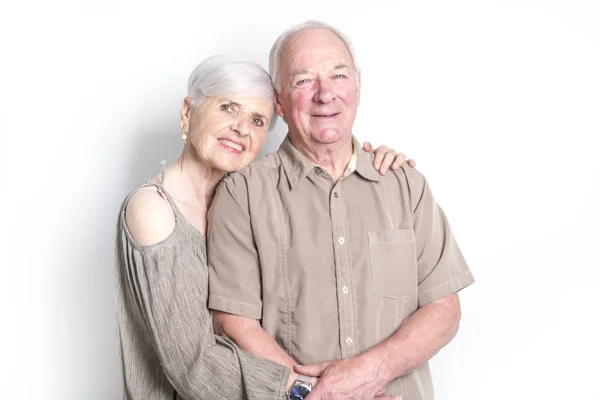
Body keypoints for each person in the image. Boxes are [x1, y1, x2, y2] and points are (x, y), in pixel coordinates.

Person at [114, 55, 413, 400]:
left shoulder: (234, 204)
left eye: (257, 120)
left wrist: (372, 163)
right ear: (187, 112)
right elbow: (193, 366)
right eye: (227, 107)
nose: (242, 128)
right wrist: (316, 393)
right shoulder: (153, 209)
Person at [208, 21, 475, 400]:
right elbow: (234, 322)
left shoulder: (406, 185)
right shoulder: (243, 193)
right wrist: (316, 393)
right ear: (279, 102)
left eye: (338, 74)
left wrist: (372, 372)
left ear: (358, 86)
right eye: (303, 80)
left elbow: (444, 309)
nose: (325, 94)